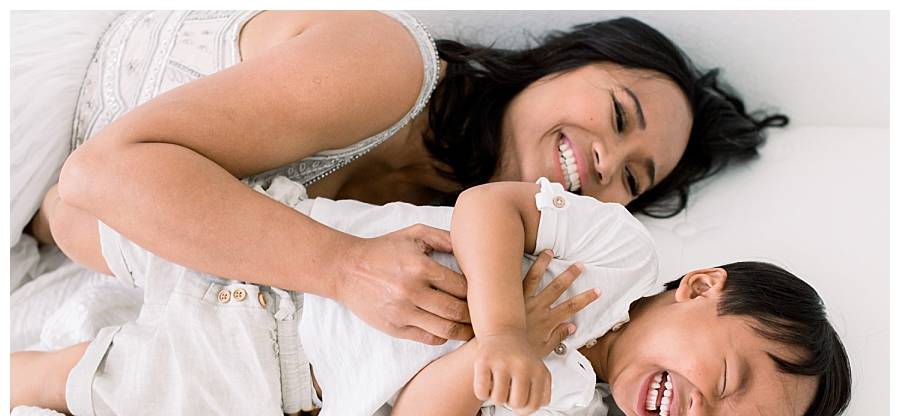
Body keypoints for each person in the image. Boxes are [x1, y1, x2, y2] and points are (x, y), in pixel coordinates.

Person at [27, 10, 787, 347]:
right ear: (563, 59)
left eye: (634, 176)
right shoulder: (389, 66)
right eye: (618, 116)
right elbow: (99, 174)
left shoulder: (442, 224)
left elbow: (76, 217)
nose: (603, 164)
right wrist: (338, 267)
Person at [11, 176, 851, 416]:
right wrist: (501, 328)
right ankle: (37, 223)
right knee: (90, 216)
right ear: (701, 287)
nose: (706, 413)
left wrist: (471, 370)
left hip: (268, 369)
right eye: (731, 380)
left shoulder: (566, 414)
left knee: (93, 384)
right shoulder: (615, 251)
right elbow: (489, 209)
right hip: (293, 243)